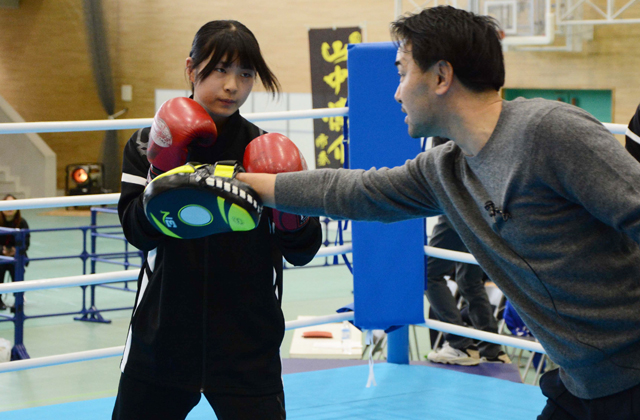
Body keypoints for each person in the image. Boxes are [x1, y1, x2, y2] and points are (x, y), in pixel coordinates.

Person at [238, 6, 640, 419]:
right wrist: (239, 183)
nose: (396, 93)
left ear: (441, 76)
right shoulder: (444, 169)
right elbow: (354, 191)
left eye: (402, 72)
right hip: (583, 385)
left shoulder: (550, 131)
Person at [115, 20, 322, 420]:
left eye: (245, 74)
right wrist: (163, 171)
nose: (232, 86)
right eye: (220, 70)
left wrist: (290, 214)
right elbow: (136, 233)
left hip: (248, 344)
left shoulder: (264, 150)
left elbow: (302, 251)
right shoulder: (146, 145)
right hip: (161, 341)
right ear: (191, 69)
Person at [424, 139, 508, 365]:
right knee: (469, 280)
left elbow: (440, 164)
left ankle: (459, 345)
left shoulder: (444, 121)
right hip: (485, 205)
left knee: (428, 274)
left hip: (459, 203)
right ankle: (492, 350)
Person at [0, 194, 30, 311]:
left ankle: (18, 299)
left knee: (17, 270)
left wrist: (17, 250)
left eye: (13, 205)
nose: (10, 208)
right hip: (1, 257)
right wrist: (1, 250)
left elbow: (26, 242)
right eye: (7, 205)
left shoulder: (22, 223)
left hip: (17, 257)